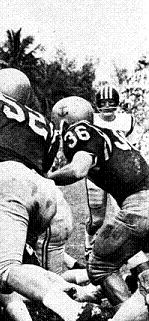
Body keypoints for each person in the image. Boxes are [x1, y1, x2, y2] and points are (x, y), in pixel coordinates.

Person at [0, 68, 105, 321]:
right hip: (44, 193)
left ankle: (72, 310)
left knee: (3, 269)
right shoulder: (44, 122)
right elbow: (43, 165)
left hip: (9, 183)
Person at [48, 96, 149, 314]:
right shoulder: (111, 132)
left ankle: (128, 314)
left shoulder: (79, 131)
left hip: (139, 205)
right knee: (130, 252)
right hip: (142, 202)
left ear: (65, 119)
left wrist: (45, 176)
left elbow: (78, 170)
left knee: (100, 266)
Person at [84, 85, 135, 260]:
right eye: (103, 102)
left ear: (117, 103)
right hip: (97, 175)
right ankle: (89, 243)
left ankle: (121, 252)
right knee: (96, 220)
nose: (106, 106)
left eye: (111, 102)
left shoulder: (126, 120)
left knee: (120, 215)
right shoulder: (91, 119)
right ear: (97, 104)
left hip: (118, 175)